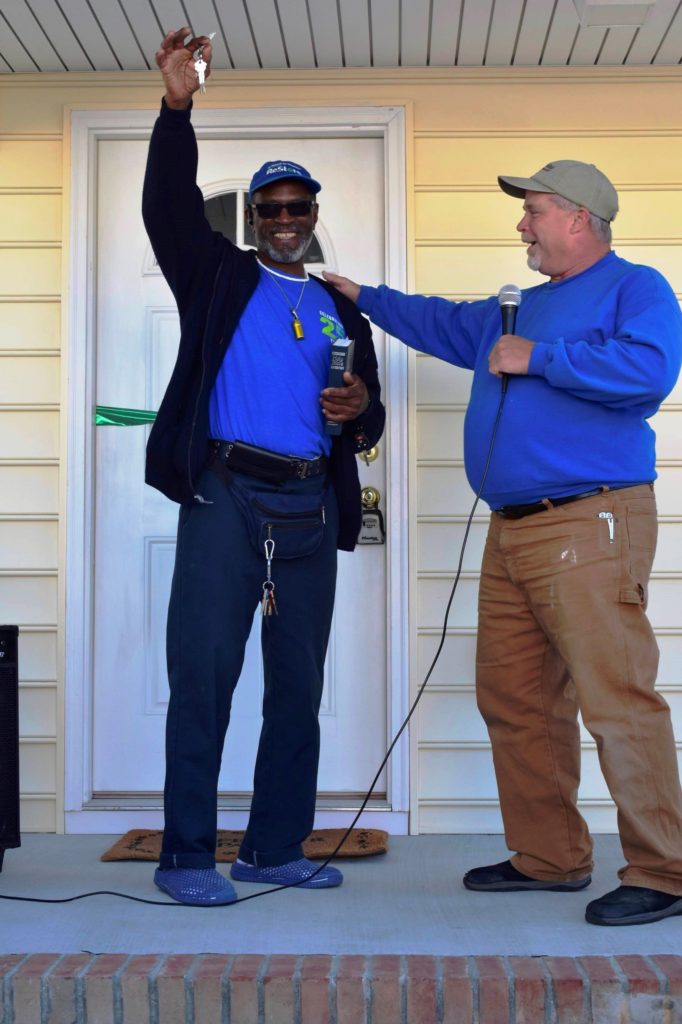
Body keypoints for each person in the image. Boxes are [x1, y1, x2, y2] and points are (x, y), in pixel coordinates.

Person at [324, 159, 682, 926]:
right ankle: (550, 857)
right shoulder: (517, 308)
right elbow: (442, 324)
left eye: (535, 211)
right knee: (516, 698)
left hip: (590, 519)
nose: (522, 225)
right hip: (512, 529)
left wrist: (539, 358)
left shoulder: (635, 287)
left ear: (579, 218)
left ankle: (664, 872)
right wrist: (361, 296)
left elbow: (649, 372)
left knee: (617, 699)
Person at [143, 28, 385, 906]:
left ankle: (274, 849)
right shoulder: (217, 275)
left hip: (308, 510)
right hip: (226, 496)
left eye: (298, 209)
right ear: (253, 219)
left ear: (314, 216)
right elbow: (168, 210)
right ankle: (185, 858)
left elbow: (370, 416)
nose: (285, 221)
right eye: (271, 209)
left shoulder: (340, 310)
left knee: (296, 686)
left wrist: (358, 411)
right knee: (203, 681)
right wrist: (177, 110)